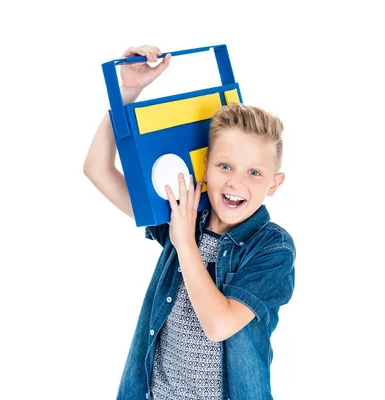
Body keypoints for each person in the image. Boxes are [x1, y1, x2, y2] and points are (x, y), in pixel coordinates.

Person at [83, 45, 296, 400]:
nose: (235, 183)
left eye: (254, 173)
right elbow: (97, 170)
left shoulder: (272, 247)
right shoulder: (184, 218)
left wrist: (184, 243)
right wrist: (128, 94)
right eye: (224, 166)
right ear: (206, 166)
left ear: (274, 184)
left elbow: (219, 324)